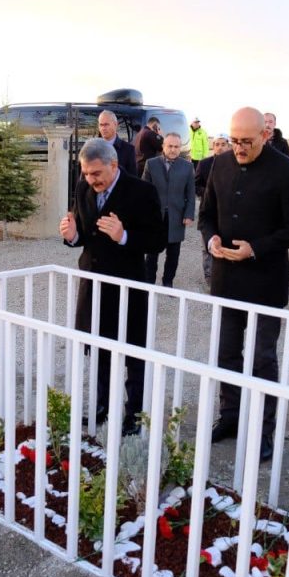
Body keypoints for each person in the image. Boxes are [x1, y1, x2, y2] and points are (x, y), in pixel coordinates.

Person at [198, 107, 289, 462]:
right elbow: (206, 216)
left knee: (262, 359)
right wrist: (212, 238)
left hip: (265, 280)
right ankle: (229, 416)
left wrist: (256, 249)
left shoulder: (287, 170)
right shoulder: (221, 163)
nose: (240, 148)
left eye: (247, 141)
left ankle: (263, 430)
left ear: (265, 135)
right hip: (227, 277)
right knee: (227, 354)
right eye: (234, 141)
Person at [59, 138, 165, 434]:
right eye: (86, 173)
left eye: (96, 174)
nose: (90, 180)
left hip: (128, 285)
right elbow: (82, 234)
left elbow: (158, 239)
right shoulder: (83, 187)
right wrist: (72, 235)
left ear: (114, 164)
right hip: (93, 284)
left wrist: (125, 236)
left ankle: (134, 415)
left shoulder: (142, 191)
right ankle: (102, 407)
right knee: (99, 349)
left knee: (133, 353)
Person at [142, 133, 195, 288]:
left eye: (176, 146)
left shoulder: (187, 167)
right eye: (169, 146)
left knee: (173, 254)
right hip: (155, 217)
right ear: (163, 146)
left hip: (177, 217)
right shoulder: (151, 164)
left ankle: (167, 282)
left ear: (180, 148)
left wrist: (189, 214)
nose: (173, 149)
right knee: (152, 253)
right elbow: (145, 190)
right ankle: (148, 282)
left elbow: (190, 194)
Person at [194, 134, 230, 287]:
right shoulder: (204, 164)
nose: (220, 147)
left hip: (227, 213)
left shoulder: (234, 163)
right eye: (217, 144)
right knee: (207, 246)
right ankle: (210, 279)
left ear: (228, 145)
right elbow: (195, 186)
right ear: (213, 146)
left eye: (223, 144)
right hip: (208, 212)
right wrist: (210, 193)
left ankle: (225, 277)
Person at [96, 110, 137, 175]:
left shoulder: (128, 150)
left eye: (106, 124)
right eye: (101, 125)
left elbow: (133, 180)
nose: (103, 128)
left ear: (115, 125)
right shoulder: (92, 149)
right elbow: (84, 180)